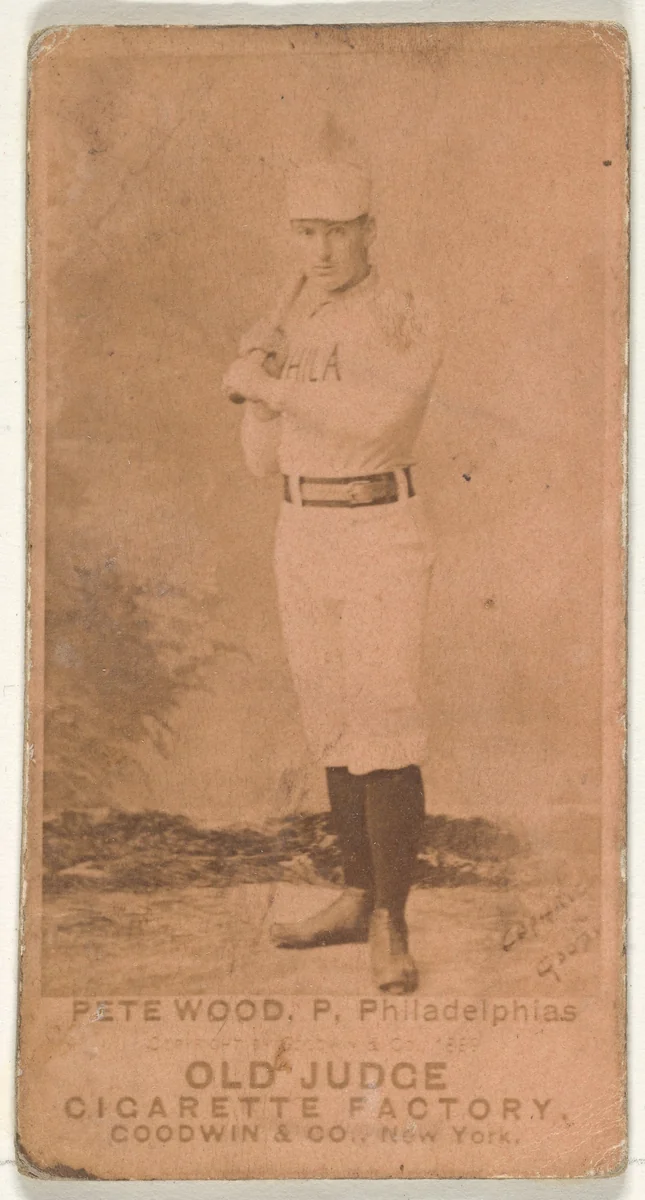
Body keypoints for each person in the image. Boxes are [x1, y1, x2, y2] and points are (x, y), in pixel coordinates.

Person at [222, 160, 440, 994]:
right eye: (304, 232)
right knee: (333, 721)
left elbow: (379, 416)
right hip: (300, 528)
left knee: (384, 721)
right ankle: (355, 897)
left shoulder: (403, 311)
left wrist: (268, 383)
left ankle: (393, 920)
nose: (318, 249)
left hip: (379, 527)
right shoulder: (296, 319)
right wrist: (258, 391)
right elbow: (258, 463)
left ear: (368, 230)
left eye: (336, 230)